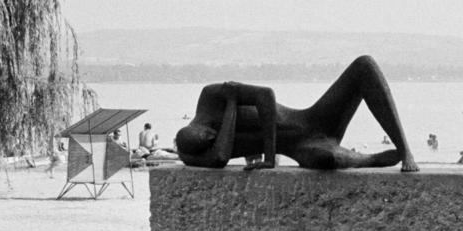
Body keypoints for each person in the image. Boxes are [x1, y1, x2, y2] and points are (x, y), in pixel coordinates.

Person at [176, 56, 419, 172]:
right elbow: (220, 157)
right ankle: (367, 160)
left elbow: (265, 96)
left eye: (208, 132)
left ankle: (405, 149)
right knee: (327, 161)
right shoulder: (194, 155)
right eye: (210, 139)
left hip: (312, 119)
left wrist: (269, 158)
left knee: (364, 66)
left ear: (197, 125)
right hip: (301, 146)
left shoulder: (211, 96)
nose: (213, 136)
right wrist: (232, 103)